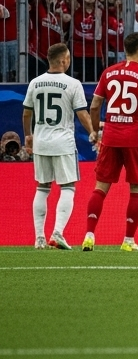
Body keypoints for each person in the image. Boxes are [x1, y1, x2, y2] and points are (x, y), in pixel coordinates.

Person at [82, 33, 138, 252]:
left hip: (110, 136)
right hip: (134, 138)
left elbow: (94, 106)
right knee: (137, 188)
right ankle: (128, 241)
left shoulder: (108, 72)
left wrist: (95, 131)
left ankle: (89, 235)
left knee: (101, 187)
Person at [22, 43, 94, 250]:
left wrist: (28, 135)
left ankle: (39, 238)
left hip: (41, 142)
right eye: (68, 58)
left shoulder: (35, 83)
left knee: (42, 187)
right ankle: (58, 232)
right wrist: (92, 133)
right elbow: (82, 113)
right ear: (62, 61)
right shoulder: (72, 84)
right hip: (63, 143)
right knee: (68, 187)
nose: (69, 61)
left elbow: (27, 113)